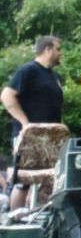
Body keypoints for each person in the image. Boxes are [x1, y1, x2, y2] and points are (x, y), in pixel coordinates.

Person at [0, 35, 63, 210]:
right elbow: (6, 96)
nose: (61, 53)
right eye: (58, 49)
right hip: (28, 138)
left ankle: (45, 225)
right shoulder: (28, 71)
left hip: (51, 140)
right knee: (24, 181)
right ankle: (16, 223)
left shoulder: (55, 77)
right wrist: (26, 124)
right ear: (47, 49)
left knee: (51, 180)